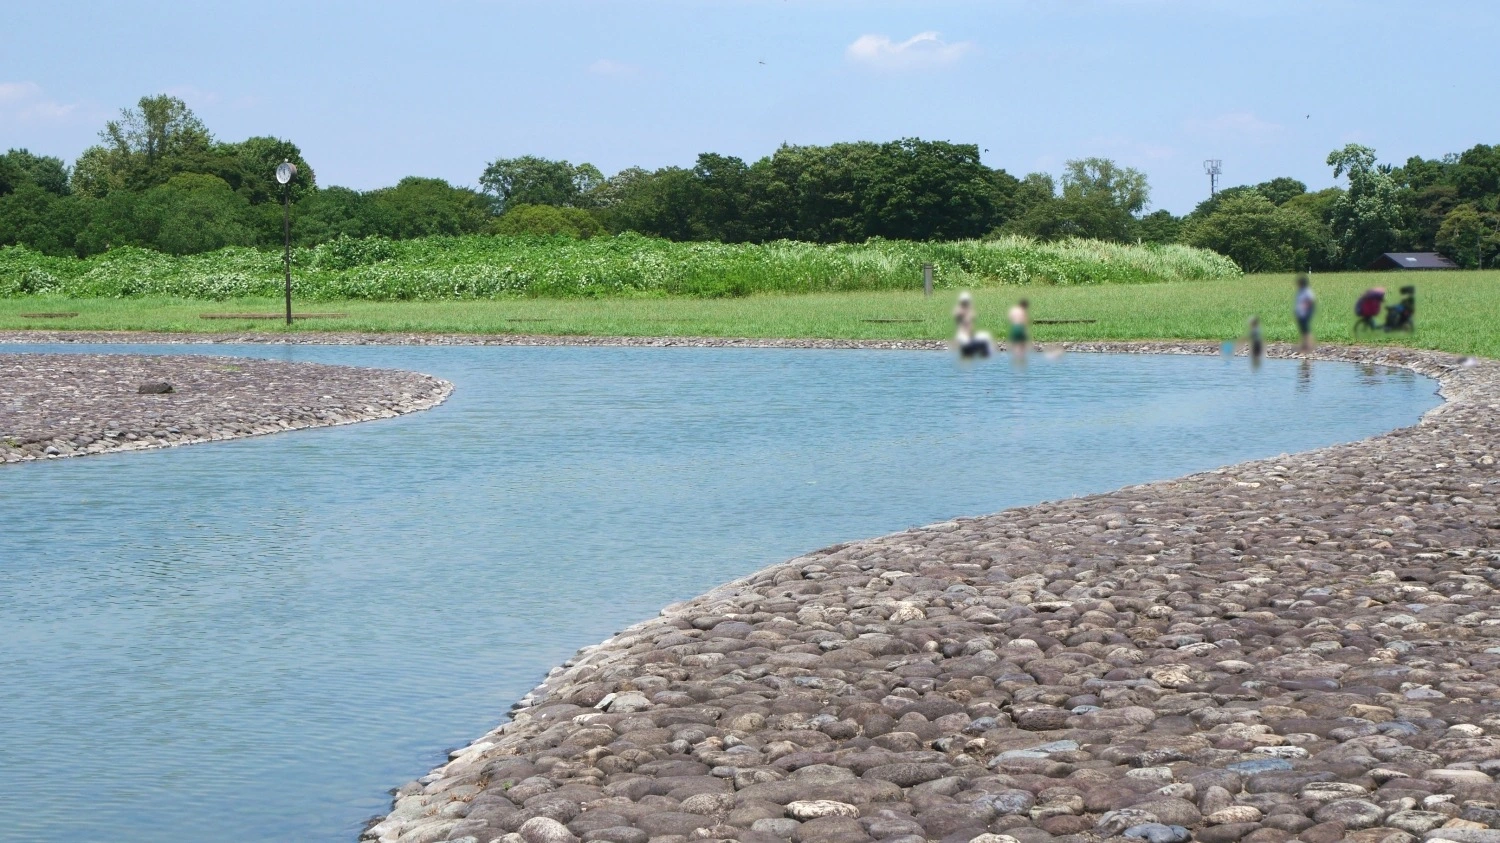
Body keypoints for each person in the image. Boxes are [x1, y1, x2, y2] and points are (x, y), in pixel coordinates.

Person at [952, 292, 992, 358]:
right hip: (963, 335)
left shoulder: (969, 311)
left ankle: (982, 355)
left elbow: (972, 316)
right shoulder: (959, 311)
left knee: (985, 338)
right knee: (967, 349)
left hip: (970, 335)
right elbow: (958, 315)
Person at [1295, 274, 1316, 354]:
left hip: (1305, 313)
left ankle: (1309, 347)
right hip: (1301, 313)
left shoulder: (1307, 291)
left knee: (1306, 330)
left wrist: (1306, 309)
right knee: (1303, 331)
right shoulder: (1300, 291)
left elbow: (1311, 300)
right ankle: (1304, 347)